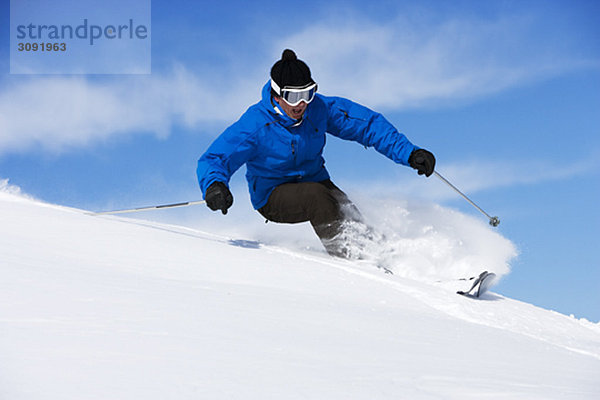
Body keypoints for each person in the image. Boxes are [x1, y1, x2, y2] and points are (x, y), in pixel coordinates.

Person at [197, 49, 435, 259]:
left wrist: (410, 153)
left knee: (345, 208)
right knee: (317, 197)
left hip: (315, 181)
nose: (301, 104)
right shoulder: (256, 125)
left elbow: (368, 125)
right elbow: (216, 157)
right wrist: (214, 185)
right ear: (277, 95)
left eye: (308, 93)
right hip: (272, 195)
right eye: (293, 96)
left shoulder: (318, 109)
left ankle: (384, 260)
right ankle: (354, 261)